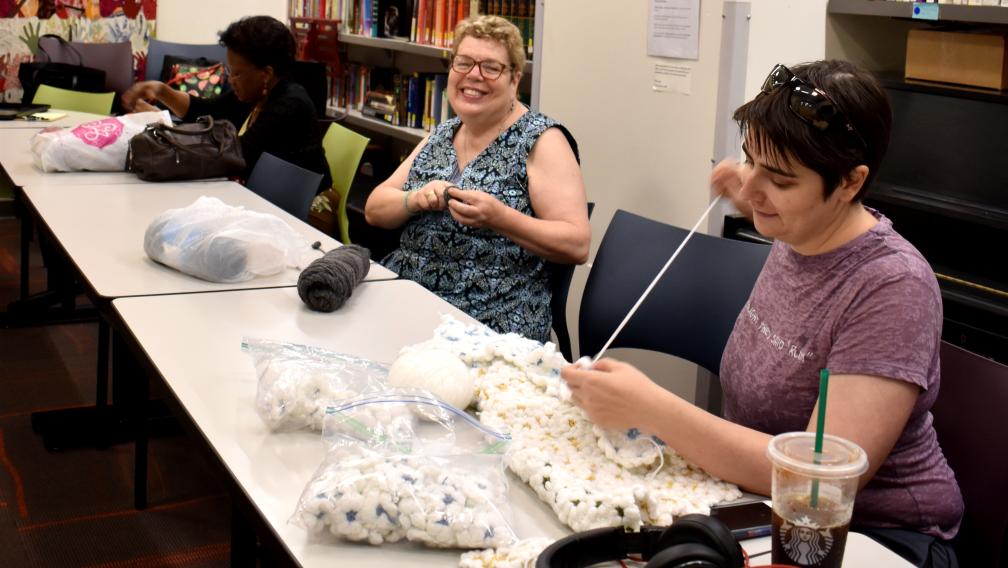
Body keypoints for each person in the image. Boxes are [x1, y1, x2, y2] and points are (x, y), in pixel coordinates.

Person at [561, 60, 962, 568]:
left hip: (874, 538)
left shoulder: (892, 286)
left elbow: (819, 482)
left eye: (779, 179)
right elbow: (775, 198)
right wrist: (758, 189)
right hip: (761, 505)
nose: (751, 189)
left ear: (850, 183)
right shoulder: (800, 228)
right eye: (750, 159)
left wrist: (651, 408)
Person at [364, 15, 589, 343]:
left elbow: (577, 243)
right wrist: (413, 199)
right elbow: (375, 209)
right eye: (464, 62)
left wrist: (500, 218)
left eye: (491, 67)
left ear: (515, 78)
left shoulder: (541, 140)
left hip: (488, 319)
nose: (474, 75)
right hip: (409, 297)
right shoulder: (443, 133)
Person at [122, 15, 331, 192]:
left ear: (266, 73)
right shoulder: (254, 95)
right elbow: (205, 110)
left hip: (305, 208)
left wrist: (163, 123)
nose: (231, 79)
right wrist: (160, 91)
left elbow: (235, 156)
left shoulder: (289, 105)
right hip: (263, 194)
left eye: (238, 73)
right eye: (230, 71)